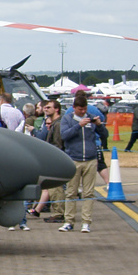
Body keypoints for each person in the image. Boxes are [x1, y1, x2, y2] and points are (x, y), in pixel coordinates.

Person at [58, 94, 107, 234]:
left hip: (91, 160)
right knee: (71, 192)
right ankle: (69, 221)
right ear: (74, 108)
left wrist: (99, 126)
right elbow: (64, 135)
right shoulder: (67, 119)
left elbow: (105, 135)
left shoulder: (91, 117)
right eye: (80, 109)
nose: (83, 112)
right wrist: (79, 126)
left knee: (89, 193)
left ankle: (86, 222)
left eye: (84, 109)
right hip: (73, 158)